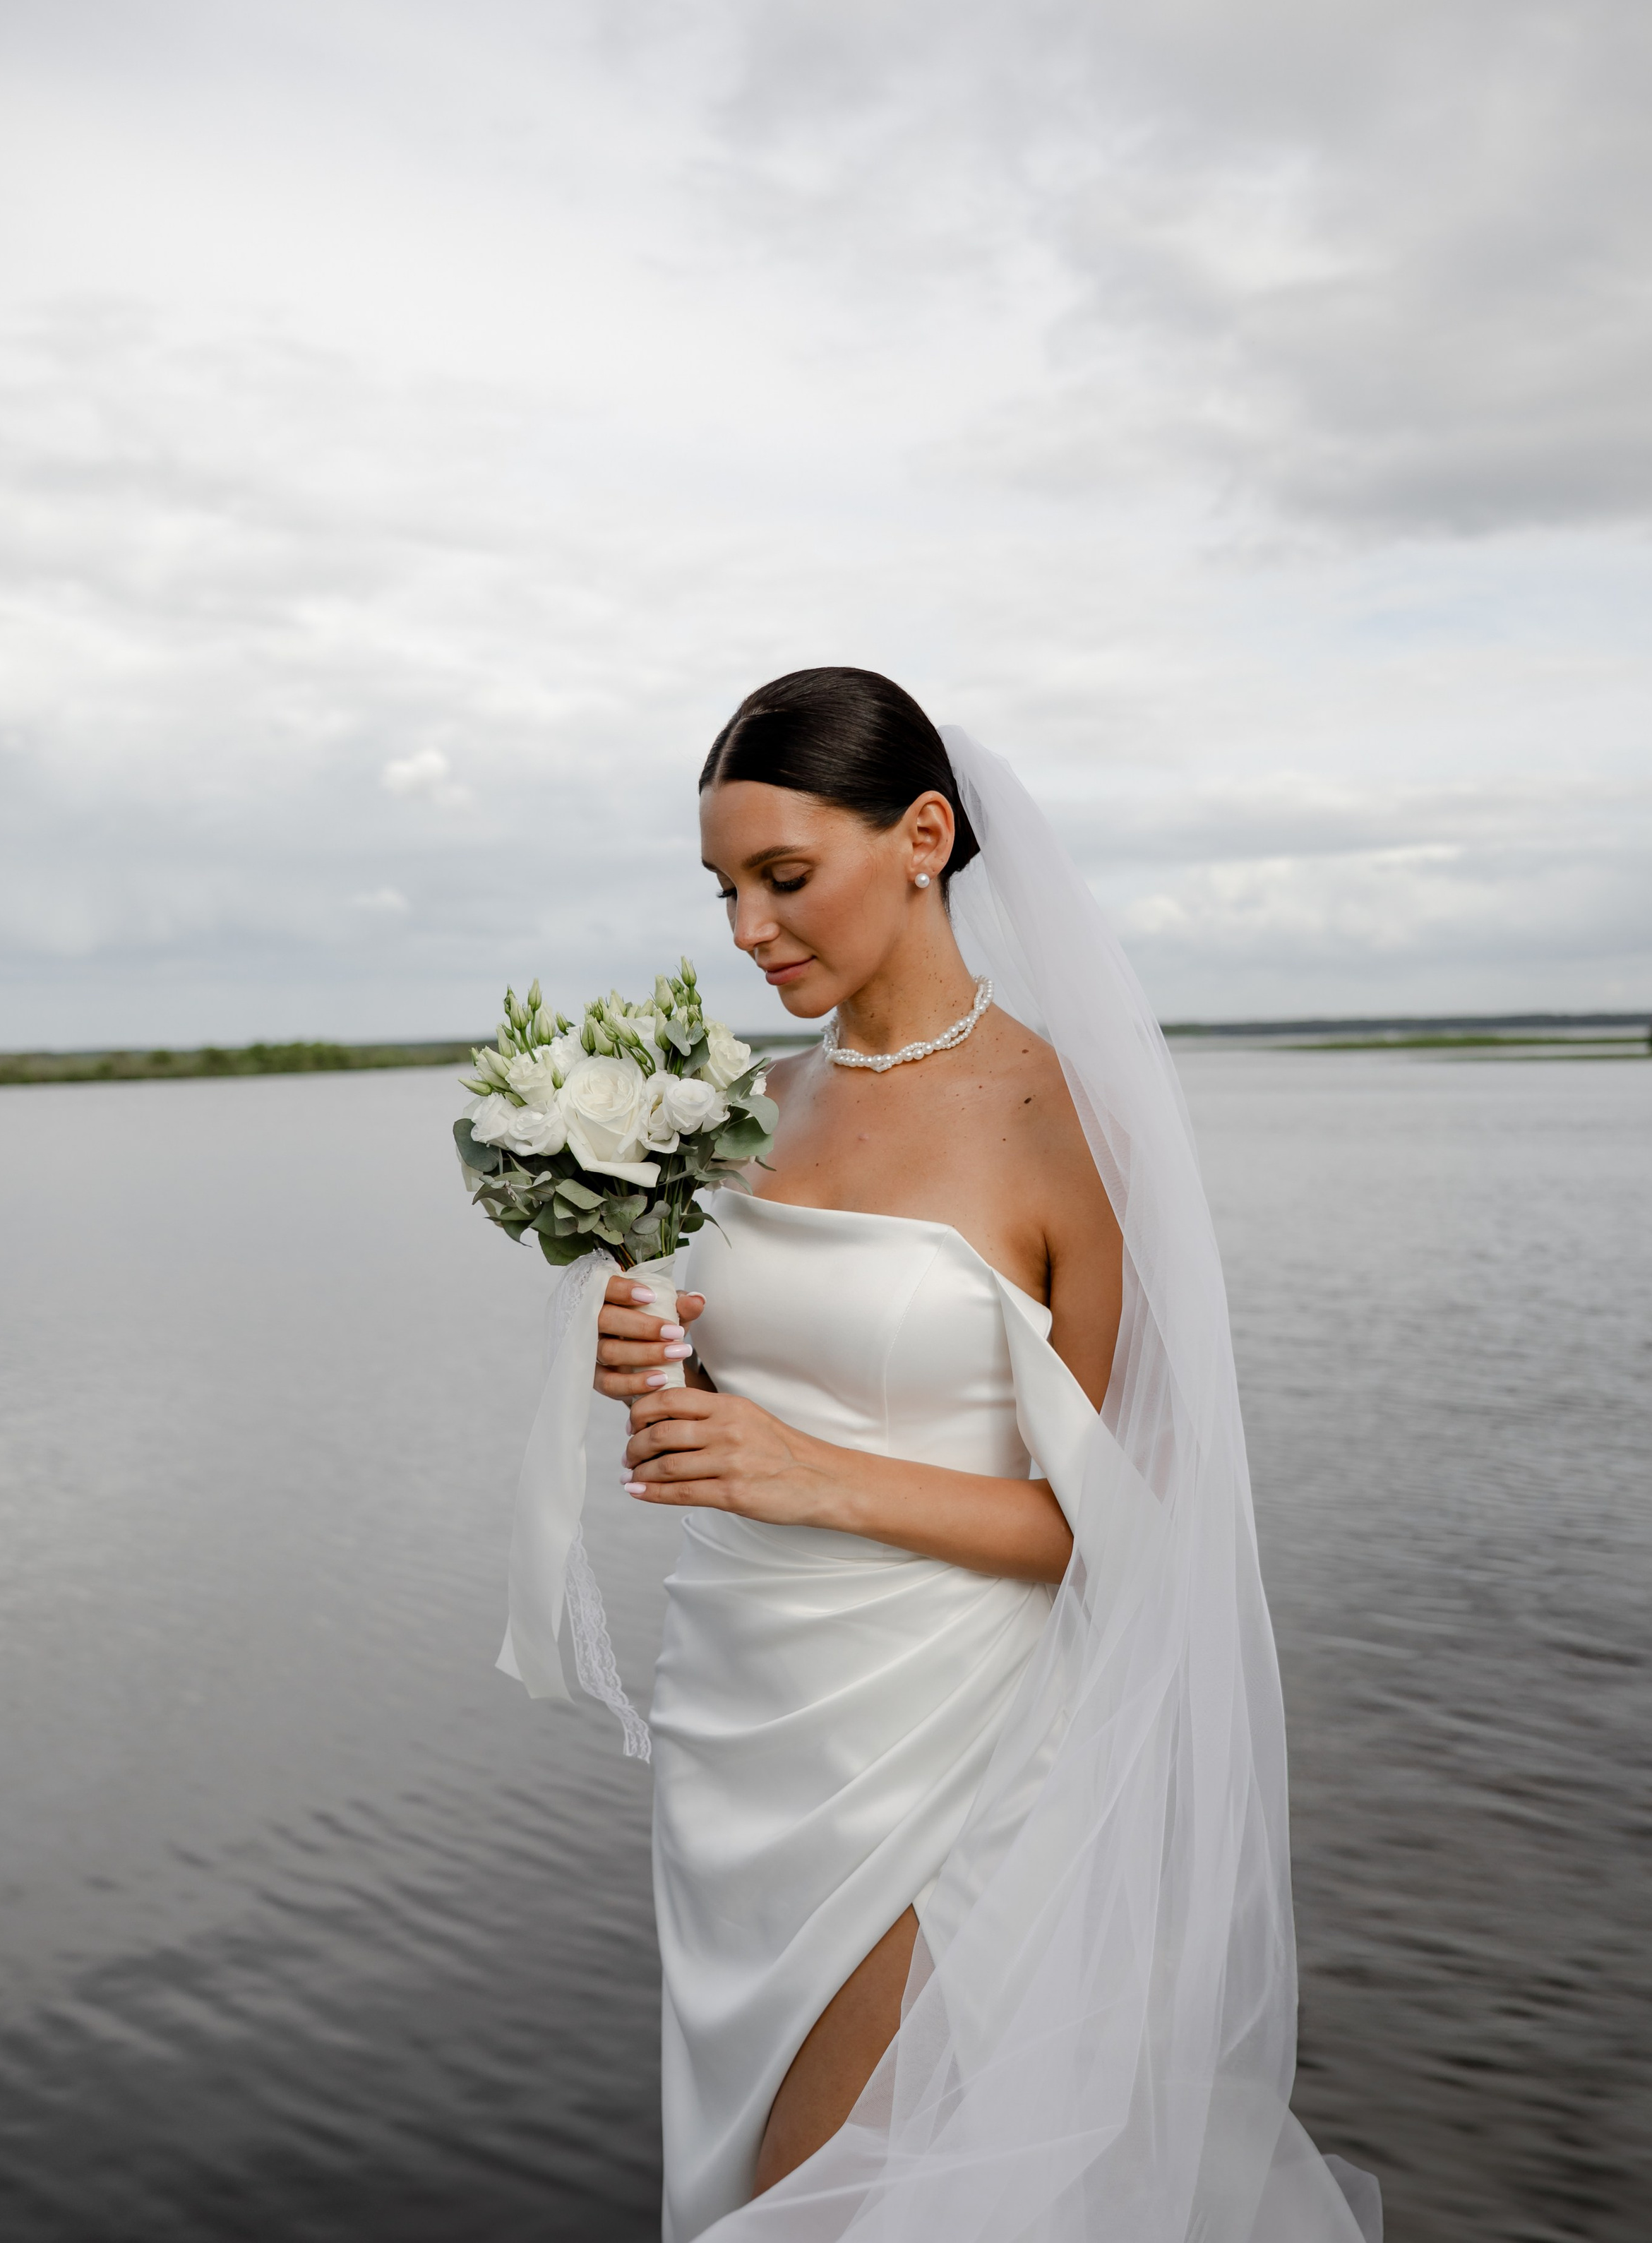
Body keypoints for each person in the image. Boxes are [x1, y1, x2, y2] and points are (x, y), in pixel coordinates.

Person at [587, 670, 1379, 2243]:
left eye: (784, 876)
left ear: (924, 835)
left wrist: (800, 1469)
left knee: (845, 2199)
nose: (745, 928)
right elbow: (737, 1402)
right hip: (744, 1738)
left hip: (953, 1753)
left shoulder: (1065, 1125)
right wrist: (657, 1374)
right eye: (724, 887)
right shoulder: (739, 1108)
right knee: (759, 2176)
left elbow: (1113, 1532)